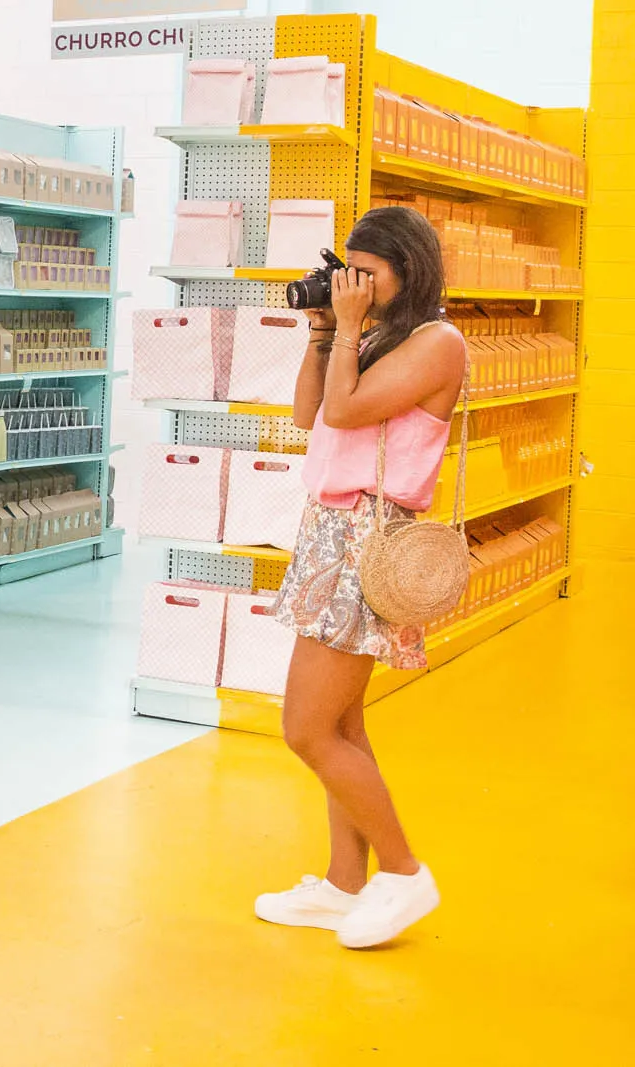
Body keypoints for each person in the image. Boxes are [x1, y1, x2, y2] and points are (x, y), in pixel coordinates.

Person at [256, 205, 465, 948]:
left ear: (409, 271)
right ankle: (346, 884)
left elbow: (345, 411)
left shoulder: (439, 343)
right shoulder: (376, 334)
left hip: (368, 541)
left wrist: (345, 328)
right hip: (329, 532)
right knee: (341, 722)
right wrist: (324, 330)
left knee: (306, 728)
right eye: (348, 270)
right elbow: (310, 411)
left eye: (367, 274)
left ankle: (404, 871)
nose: (353, 285)